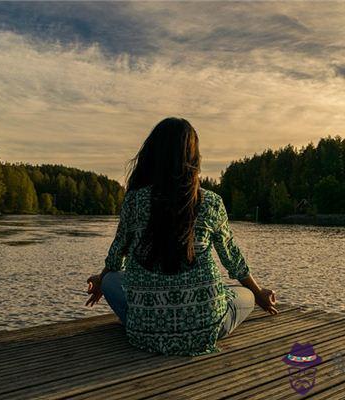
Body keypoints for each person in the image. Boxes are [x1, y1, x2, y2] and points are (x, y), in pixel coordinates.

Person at [85, 117, 278, 356]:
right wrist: (259, 294)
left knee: (113, 279)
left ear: (152, 156)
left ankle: (149, 319)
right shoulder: (210, 202)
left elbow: (116, 256)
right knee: (245, 294)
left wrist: (101, 279)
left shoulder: (134, 200)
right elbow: (233, 260)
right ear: (193, 158)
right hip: (205, 329)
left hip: (145, 333)